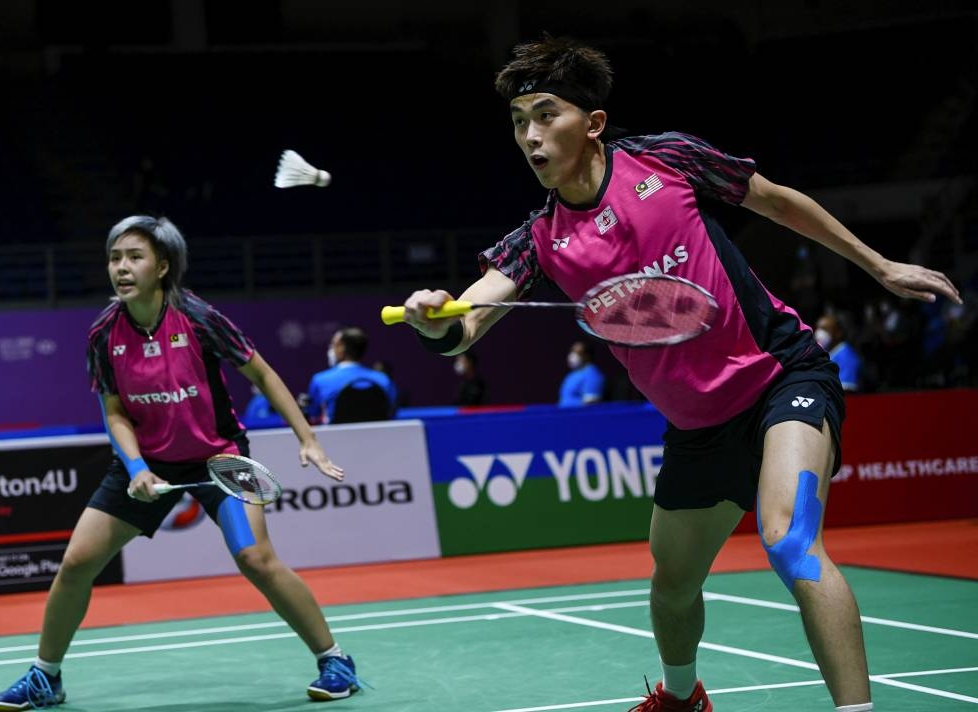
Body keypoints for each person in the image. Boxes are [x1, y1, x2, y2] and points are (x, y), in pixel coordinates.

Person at [399, 36, 961, 712]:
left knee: (790, 541)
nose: (530, 135)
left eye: (547, 114)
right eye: (519, 121)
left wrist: (879, 265)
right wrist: (434, 321)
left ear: (594, 122)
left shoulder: (664, 159)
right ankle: (680, 696)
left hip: (781, 380)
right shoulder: (541, 236)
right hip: (697, 428)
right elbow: (469, 318)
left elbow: (776, 201)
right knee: (671, 582)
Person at [0, 217, 364, 712]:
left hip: (218, 460)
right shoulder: (104, 333)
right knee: (77, 562)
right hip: (147, 464)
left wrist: (308, 439)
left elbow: (263, 373)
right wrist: (137, 467)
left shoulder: (198, 317)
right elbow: (115, 412)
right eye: (115, 258)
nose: (122, 268)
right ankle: (45, 677)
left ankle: (335, 661)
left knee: (255, 558)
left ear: (162, 266)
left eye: (134, 257)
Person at [306, 327, 396, 423]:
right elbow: (391, 412)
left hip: (336, 437)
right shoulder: (383, 380)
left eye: (333, 345)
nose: (331, 349)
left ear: (341, 347)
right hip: (380, 436)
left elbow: (314, 416)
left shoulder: (320, 380)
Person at [815, 314, 863, 391]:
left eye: (825, 329)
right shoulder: (824, 352)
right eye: (818, 328)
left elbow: (847, 389)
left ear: (838, 333)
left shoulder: (846, 356)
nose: (820, 333)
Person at [558, 340, 605, 406]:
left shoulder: (592, 374)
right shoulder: (572, 374)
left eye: (578, 353)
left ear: (587, 356)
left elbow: (591, 403)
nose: (573, 355)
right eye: (572, 351)